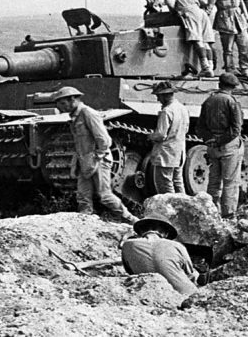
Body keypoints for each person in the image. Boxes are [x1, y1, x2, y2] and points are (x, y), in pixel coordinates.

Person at [49, 86, 138, 224]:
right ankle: (86, 223)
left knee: (104, 196)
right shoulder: (75, 116)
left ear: (72, 99)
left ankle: (131, 220)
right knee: (83, 196)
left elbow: (104, 140)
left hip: (98, 160)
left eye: (62, 103)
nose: (59, 107)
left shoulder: (88, 113)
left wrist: (97, 157)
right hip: (85, 160)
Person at [196, 73, 244, 219]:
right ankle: (228, 215)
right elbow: (236, 129)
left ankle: (210, 213)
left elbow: (199, 127)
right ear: (233, 87)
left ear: (219, 84)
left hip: (212, 146)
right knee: (230, 183)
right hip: (228, 146)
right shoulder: (231, 101)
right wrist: (220, 141)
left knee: (213, 182)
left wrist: (210, 139)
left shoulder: (209, 100)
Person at [121, 213, 198, 295]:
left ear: (141, 230)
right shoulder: (177, 246)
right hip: (186, 294)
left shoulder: (127, 245)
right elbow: (190, 274)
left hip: (151, 293)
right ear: (166, 233)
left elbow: (130, 272)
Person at [207, 0, 248, 79]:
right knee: (228, 49)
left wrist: (247, 17)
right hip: (225, 22)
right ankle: (229, 71)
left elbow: (241, 4)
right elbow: (210, 7)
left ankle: (245, 70)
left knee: (246, 46)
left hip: (239, 21)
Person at [148, 81, 190, 194]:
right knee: (178, 182)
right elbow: (186, 129)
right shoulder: (182, 108)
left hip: (166, 155)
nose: (158, 99)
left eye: (158, 96)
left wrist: (151, 136)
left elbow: (160, 135)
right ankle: (184, 207)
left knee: (164, 185)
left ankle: (170, 208)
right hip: (179, 152)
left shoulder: (166, 111)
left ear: (165, 95)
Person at [163, 0, 215, 77]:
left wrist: (174, 12)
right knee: (205, 42)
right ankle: (210, 67)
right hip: (202, 13)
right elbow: (204, 4)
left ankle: (205, 68)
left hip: (189, 13)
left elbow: (168, 1)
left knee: (196, 40)